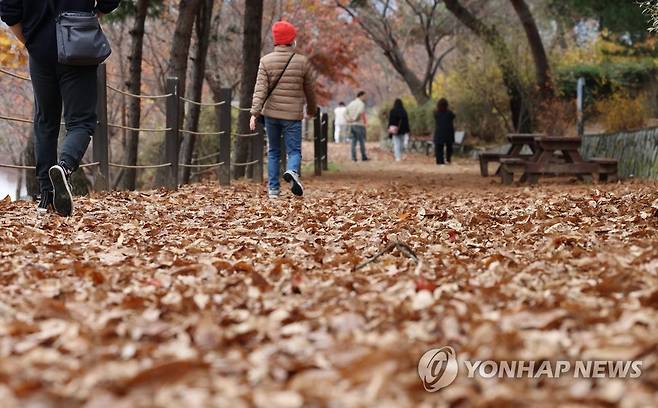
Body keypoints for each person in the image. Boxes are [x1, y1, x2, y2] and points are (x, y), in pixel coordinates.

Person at [1, 0, 121, 216]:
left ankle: (46, 196)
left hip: (40, 51)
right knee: (82, 122)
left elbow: (9, 10)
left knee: (45, 122)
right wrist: (91, 15)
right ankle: (64, 167)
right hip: (79, 45)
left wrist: (31, 42)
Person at [250, 21, 317, 199]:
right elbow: (310, 90)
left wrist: (254, 113)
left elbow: (260, 89)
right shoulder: (302, 62)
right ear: (292, 40)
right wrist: (311, 110)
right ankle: (292, 171)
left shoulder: (265, 61)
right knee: (293, 150)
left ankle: (273, 189)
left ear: (276, 40)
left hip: (271, 114)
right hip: (292, 115)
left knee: (273, 151)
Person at [346, 91, 369, 162]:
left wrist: (348, 119)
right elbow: (360, 112)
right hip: (359, 124)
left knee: (353, 141)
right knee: (361, 141)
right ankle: (363, 156)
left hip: (352, 125)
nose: (365, 98)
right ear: (361, 96)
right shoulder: (361, 104)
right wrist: (355, 119)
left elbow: (345, 112)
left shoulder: (351, 103)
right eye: (365, 96)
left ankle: (353, 157)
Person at [434, 98, 456, 165]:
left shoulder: (436, 113)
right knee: (449, 146)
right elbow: (453, 116)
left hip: (439, 132)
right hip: (448, 132)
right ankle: (448, 159)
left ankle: (439, 161)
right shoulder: (450, 113)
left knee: (439, 147)